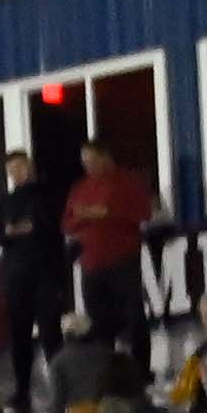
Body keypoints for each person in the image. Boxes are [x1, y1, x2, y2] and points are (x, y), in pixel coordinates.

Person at [0, 147, 68, 413]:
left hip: (45, 276)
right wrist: (9, 232)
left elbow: (55, 228)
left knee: (51, 336)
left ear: (30, 166)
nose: (17, 174)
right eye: (12, 171)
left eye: (20, 167)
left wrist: (29, 229)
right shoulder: (5, 201)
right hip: (16, 279)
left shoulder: (48, 196)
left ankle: (61, 389)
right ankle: (22, 391)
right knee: (20, 339)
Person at [63, 136, 153, 365]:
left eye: (92, 160)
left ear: (106, 158)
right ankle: (107, 373)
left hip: (123, 259)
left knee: (134, 317)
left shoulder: (129, 181)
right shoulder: (80, 188)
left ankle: (141, 370)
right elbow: (67, 223)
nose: (88, 166)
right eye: (84, 162)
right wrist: (88, 216)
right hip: (91, 263)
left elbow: (143, 213)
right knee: (99, 322)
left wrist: (108, 213)